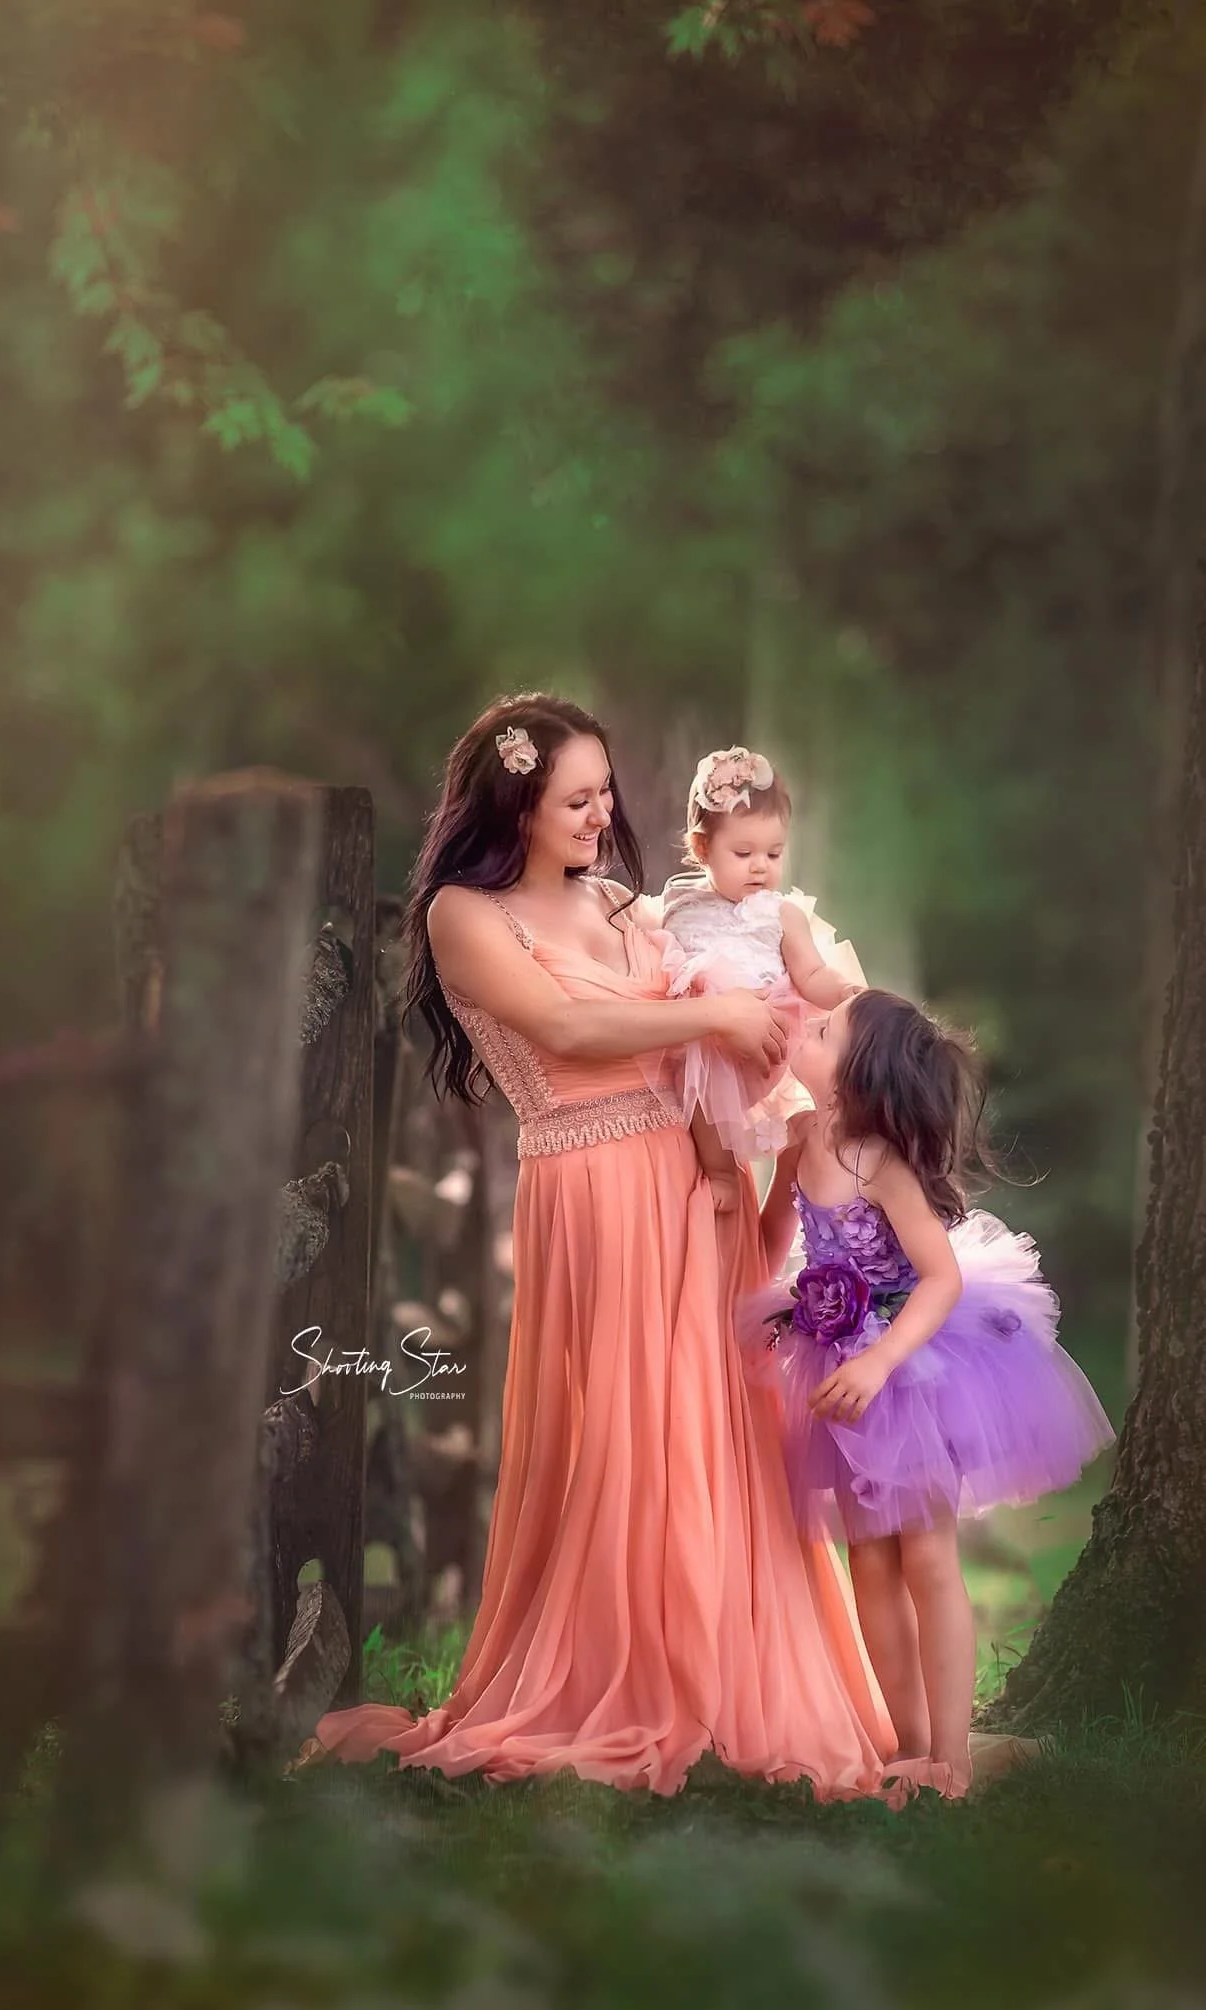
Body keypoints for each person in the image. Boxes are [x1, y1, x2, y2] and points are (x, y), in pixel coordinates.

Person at [309, 693, 893, 1797]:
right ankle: (621, 1678)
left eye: (604, 793)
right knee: (623, 1429)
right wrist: (706, 1022)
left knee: (714, 1433)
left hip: (694, 1187)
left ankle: (724, 1675)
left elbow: (732, 999)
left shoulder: (629, 906)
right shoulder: (460, 916)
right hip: (586, 1191)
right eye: (573, 798)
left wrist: (779, 1072)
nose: (598, 815)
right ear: (514, 804)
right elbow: (570, 1029)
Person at [739, 989, 1116, 1798]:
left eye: (824, 1029)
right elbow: (774, 1234)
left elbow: (939, 1278)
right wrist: (732, 1217)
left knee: (929, 1558)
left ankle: (951, 1758)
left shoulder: (884, 1163)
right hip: (832, 1361)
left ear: (855, 1074)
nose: (804, 1029)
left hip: (915, 1367)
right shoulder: (801, 1137)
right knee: (869, 1563)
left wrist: (879, 1363)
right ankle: (903, 1750)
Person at [647, 746, 862, 1201]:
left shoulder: (781, 913)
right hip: (703, 1042)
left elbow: (811, 972)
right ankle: (721, 1172)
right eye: (743, 852)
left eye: (774, 852)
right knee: (699, 1086)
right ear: (702, 847)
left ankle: (825, 1153)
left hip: (770, 1035)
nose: (761, 865)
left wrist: (845, 992)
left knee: (821, 1081)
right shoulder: (678, 909)